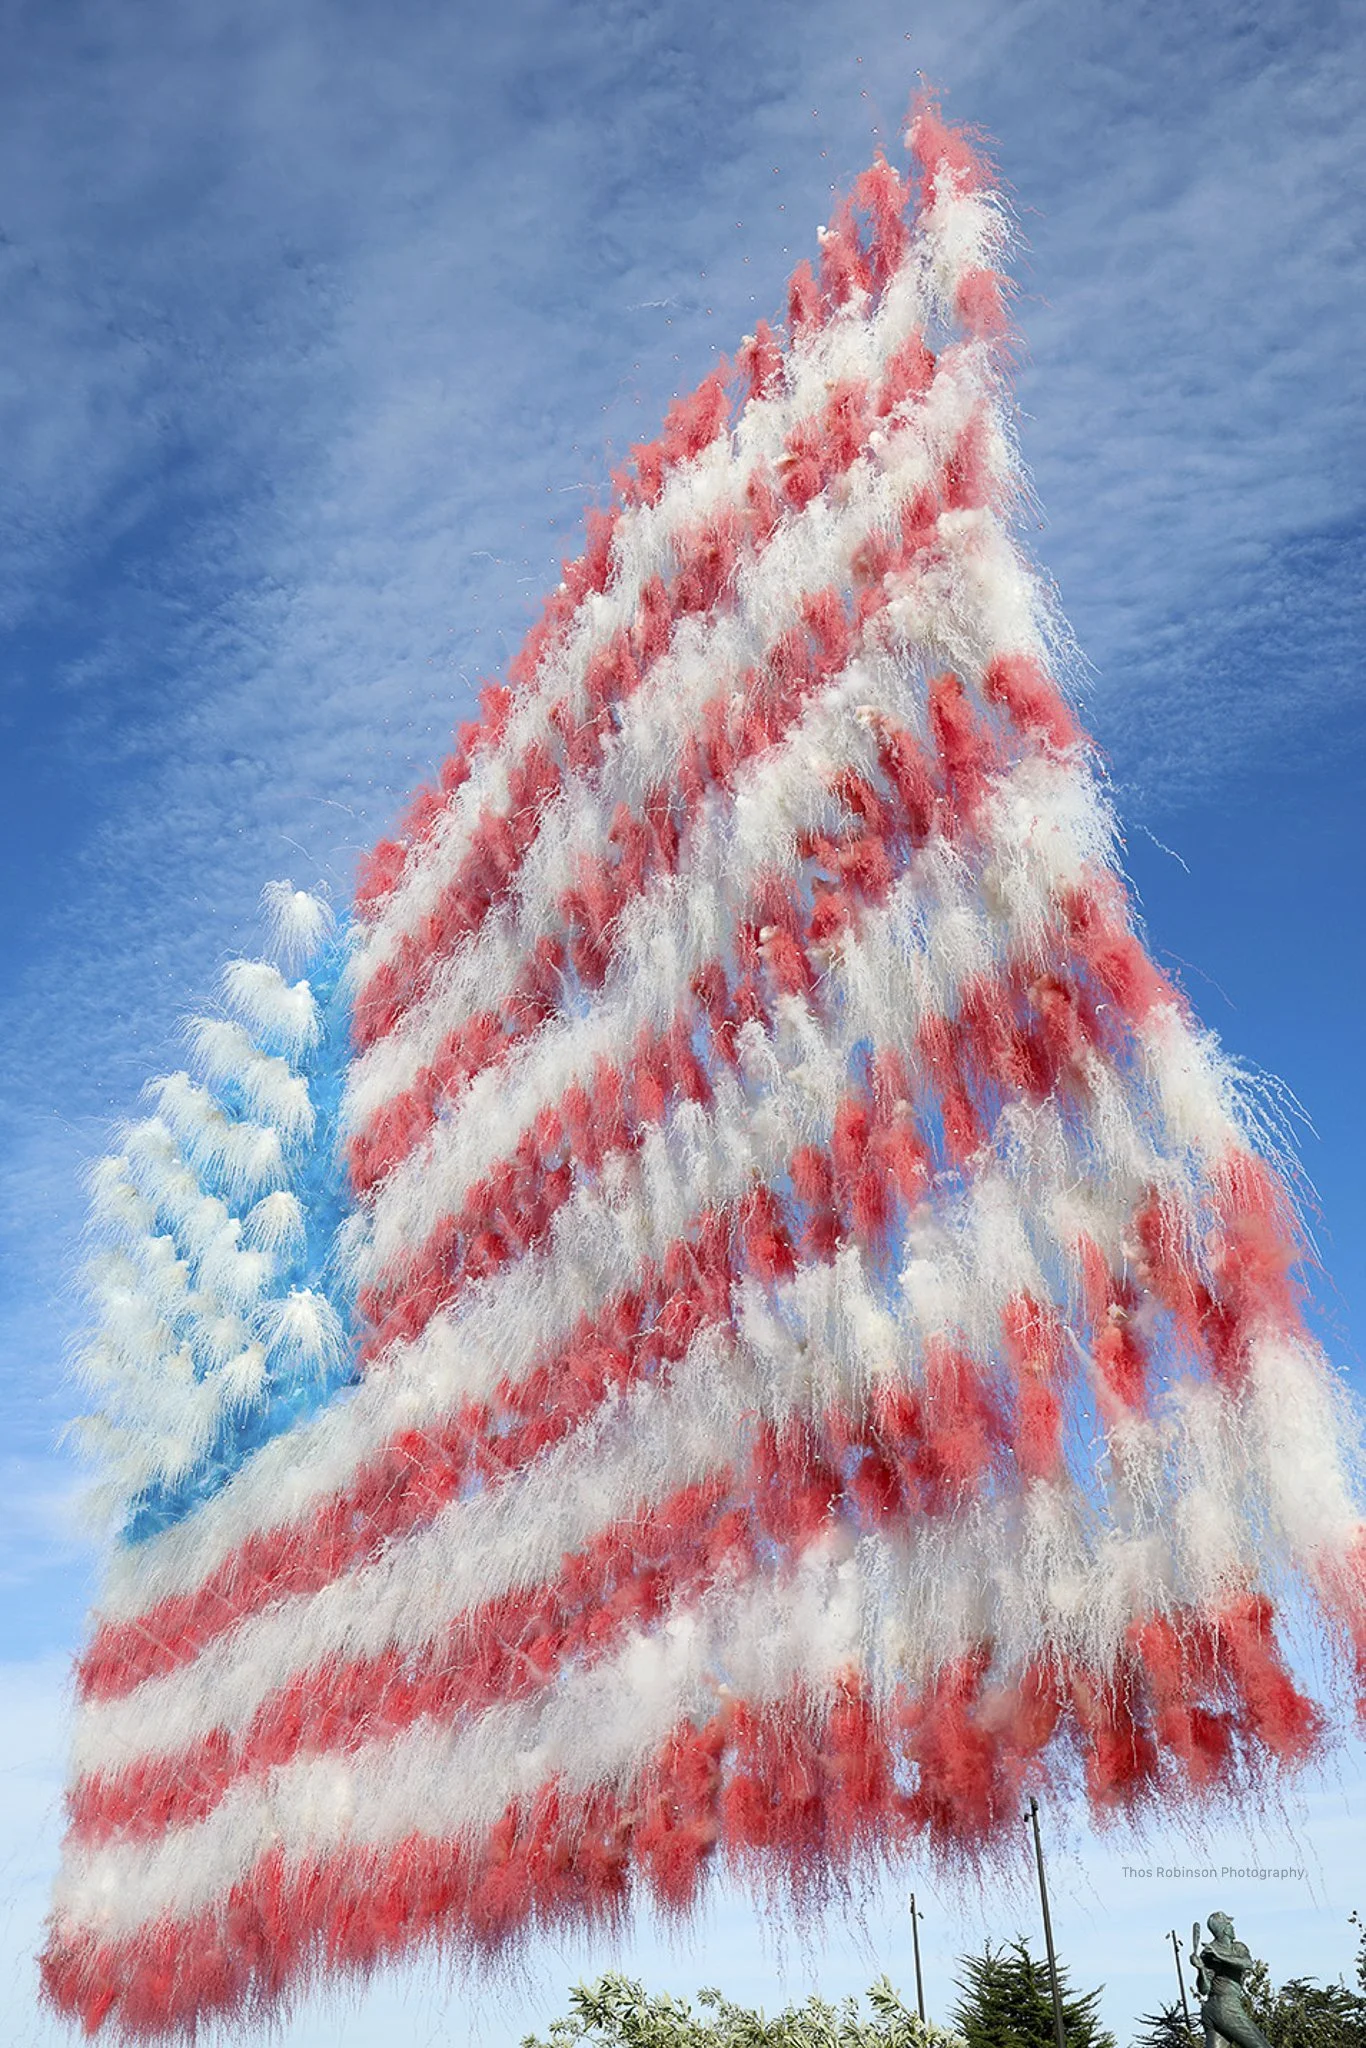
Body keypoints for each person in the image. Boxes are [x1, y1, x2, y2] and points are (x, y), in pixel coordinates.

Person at [1190, 1913, 1272, 2048]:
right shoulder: (1210, 1953)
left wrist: (1219, 1955)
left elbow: (1246, 1963)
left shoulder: (1235, 1948)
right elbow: (1204, 1989)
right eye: (1229, 1924)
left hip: (1217, 2010)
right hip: (1226, 2008)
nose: (1232, 1927)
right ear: (1224, 1929)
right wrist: (1200, 1970)